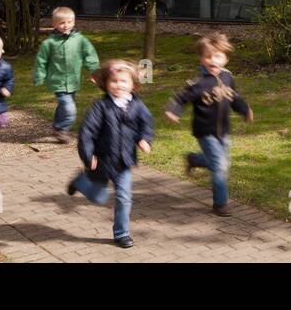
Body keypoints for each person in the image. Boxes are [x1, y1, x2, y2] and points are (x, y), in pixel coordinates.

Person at [164, 34, 253, 216]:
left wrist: (244, 110)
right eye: (208, 56)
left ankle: (195, 159)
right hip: (205, 132)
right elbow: (180, 98)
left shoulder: (228, 78)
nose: (213, 60)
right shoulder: (198, 84)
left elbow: (234, 97)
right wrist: (173, 110)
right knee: (220, 166)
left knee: (223, 163)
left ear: (225, 59)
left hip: (224, 132)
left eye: (218, 56)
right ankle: (220, 204)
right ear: (201, 59)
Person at [67, 60, 153, 248]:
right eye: (114, 81)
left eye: (124, 81)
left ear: (133, 84)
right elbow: (86, 133)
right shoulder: (100, 107)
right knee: (99, 198)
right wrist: (88, 156)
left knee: (124, 197)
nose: (119, 85)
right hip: (101, 162)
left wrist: (144, 139)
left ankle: (121, 233)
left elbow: (146, 123)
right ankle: (80, 181)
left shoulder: (137, 105)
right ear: (106, 83)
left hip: (124, 162)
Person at [32, 6, 99, 143]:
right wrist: (39, 75)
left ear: (73, 22)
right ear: (54, 24)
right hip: (57, 82)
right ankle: (63, 129)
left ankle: (57, 127)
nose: (65, 25)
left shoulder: (80, 40)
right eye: (62, 23)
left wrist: (94, 71)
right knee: (69, 108)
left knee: (64, 105)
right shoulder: (49, 43)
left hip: (73, 81)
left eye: (69, 22)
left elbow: (90, 55)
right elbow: (41, 60)